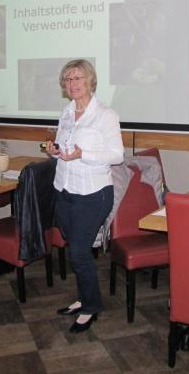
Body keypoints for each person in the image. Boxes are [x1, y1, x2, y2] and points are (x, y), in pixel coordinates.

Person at [45, 59, 124, 333]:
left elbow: (117, 155)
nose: (72, 84)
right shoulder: (66, 112)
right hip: (65, 189)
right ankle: (84, 297)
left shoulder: (105, 114)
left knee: (79, 251)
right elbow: (64, 146)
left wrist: (83, 155)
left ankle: (91, 307)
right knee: (74, 248)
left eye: (77, 78)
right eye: (67, 79)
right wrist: (54, 150)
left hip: (93, 193)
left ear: (90, 81)